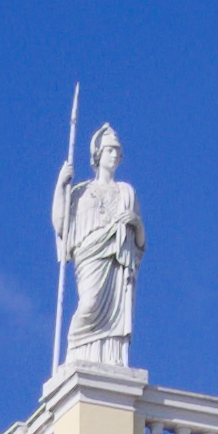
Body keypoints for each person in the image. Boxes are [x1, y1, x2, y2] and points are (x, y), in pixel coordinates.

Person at [55, 124, 145, 370]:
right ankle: (75, 353)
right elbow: (61, 226)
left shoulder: (126, 192)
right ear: (97, 154)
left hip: (117, 257)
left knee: (114, 309)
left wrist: (135, 222)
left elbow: (140, 244)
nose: (115, 155)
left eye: (118, 151)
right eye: (109, 150)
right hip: (90, 256)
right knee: (89, 304)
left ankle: (111, 355)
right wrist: (61, 186)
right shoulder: (80, 192)